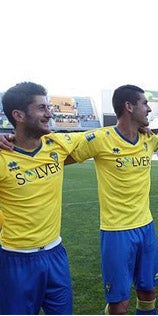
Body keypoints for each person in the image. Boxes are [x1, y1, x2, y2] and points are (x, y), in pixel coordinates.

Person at [67, 84, 158, 314]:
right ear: (129, 106)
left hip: (146, 227)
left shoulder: (148, 140)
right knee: (119, 305)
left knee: (149, 292)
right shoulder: (100, 138)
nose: (149, 109)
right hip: (116, 232)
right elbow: (56, 158)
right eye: (145, 103)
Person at [0, 82, 84, 314]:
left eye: (49, 107)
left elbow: (103, 136)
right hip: (16, 260)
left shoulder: (57, 144)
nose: (50, 113)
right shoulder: (2, 158)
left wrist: (142, 129)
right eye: (42, 108)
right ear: (18, 115)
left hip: (56, 254)